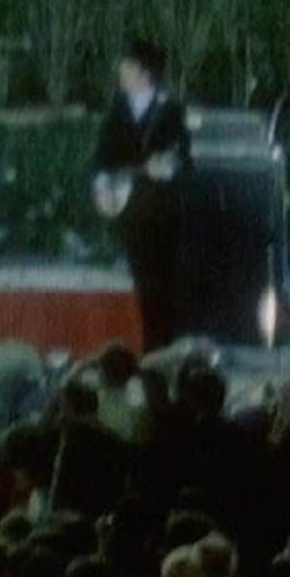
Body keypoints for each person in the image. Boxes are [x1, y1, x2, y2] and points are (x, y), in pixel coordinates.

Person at [90, 40, 191, 354]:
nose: (121, 71)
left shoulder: (170, 110)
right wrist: (102, 185)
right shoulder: (117, 110)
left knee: (164, 284)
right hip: (131, 212)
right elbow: (100, 159)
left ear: (145, 73)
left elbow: (183, 158)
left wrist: (169, 169)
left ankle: (163, 350)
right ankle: (151, 350)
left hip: (162, 211)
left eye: (128, 66)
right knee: (143, 283)